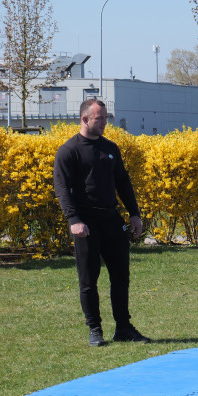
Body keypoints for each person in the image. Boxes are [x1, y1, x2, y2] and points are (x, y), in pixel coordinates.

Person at [53, 98, 150, 347]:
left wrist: (134, 214)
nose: (105, 123)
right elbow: (62, 188)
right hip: (86, 224)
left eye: (106, 118)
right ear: (85, 119)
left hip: (111, 219)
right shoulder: (69, 150)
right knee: (88, 280)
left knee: (120, 277)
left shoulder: (111, 148)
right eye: (100, 118)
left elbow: (123, 182)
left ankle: (124, 328)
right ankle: (95, 329)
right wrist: (74, 220)